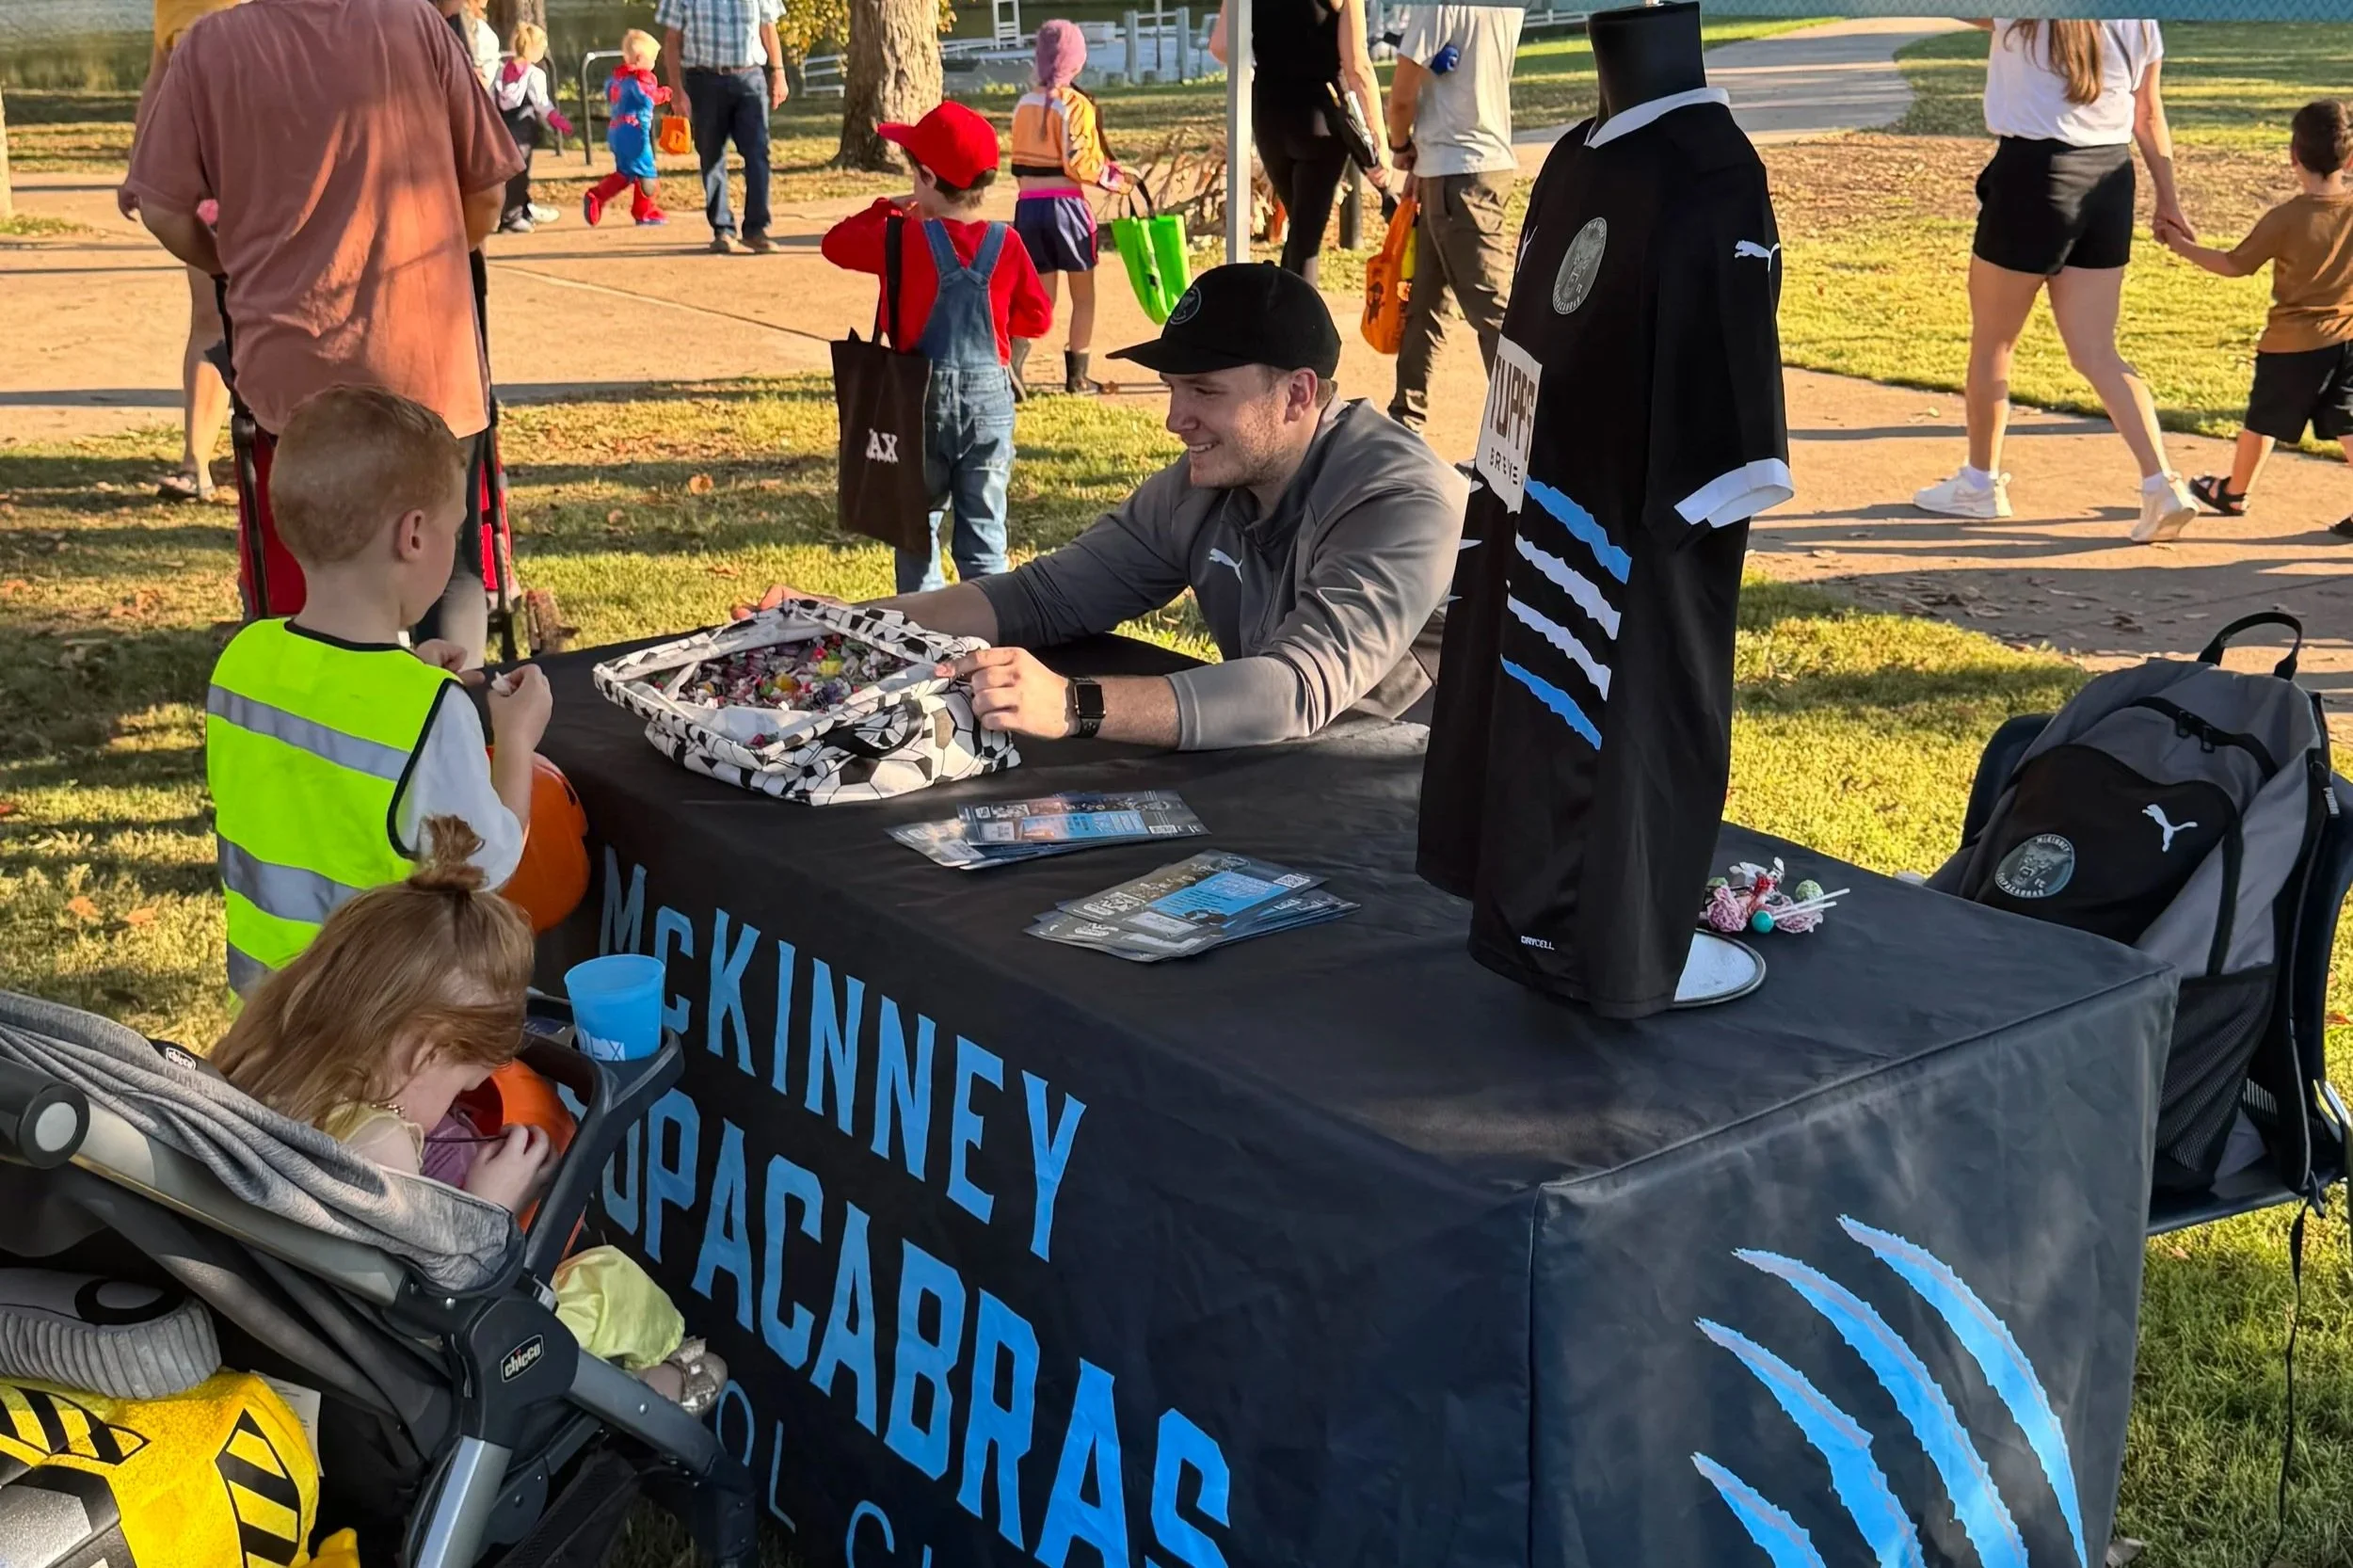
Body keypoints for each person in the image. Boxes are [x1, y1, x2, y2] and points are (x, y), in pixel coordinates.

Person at [746, 264, 1465, 750]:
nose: (1176, 419)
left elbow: (1296, 691)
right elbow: (1042, 598)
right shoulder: (1209, 479)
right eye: (1173, 389)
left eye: (1205, 391)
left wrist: (1071, 705)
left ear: (1299, 395)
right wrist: (849, 624)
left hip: (1420, 802)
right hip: (1294, 771)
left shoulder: (1400, 501)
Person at [212, 818, 727, 1416]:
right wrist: (491, 1207)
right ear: (426, 1053)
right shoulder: (380, 1147)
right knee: (608, 1283)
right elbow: (433, 1308)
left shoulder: (263, 1060)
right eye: (463, 1083)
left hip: (280, 1333)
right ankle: (662, 1388)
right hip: (411, 1376)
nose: (453, 1109)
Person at [123, 0, 523, 665]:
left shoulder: (209, 47)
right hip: (427, 351)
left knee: (322, 567)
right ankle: (456, 708)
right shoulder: (416, 25)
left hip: (292, 364)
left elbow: (163, 210)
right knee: (449, 563)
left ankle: (327, 705)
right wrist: (440, 258)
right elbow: (486, 194)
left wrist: (229, 266)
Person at [203, 386, 551, 999]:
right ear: (413, 535)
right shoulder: (431, 712)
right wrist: (516, 739)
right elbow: (485, 866)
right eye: (454, 530)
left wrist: (406, 672)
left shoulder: (242, 659)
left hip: (265, 1006)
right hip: (373, 1021)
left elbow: (316, 753)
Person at [1913, 19, 2197, 543]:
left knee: (1994, 342)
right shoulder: (2140, 19)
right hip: (2110, 178)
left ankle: (1980, 483)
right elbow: (2149, 114)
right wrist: (2169, 199)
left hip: (2034, 176)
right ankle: (2162, 483)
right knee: (2097, 352)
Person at [821, 103, 1054, 595]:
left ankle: (923, 623)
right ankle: (991, 621)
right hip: (990, 403)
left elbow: (836, 244)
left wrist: (889, 208)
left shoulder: (902, 238)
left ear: (926, 177)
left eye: (915, 174)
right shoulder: (1007, 242)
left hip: (916, 401)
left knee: (915, 525)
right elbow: (1037, 318)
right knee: (985, 526)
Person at [2165, 101, 2353, 540]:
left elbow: (2235, 264)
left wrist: (2180, 245)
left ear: (2293, 156)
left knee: (2262, 419)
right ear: (2348, 159)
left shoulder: (2285, 219)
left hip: (2291, 345)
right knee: (2347, 420)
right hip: (2347, 339)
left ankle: (2234, 491)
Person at [118, 0, 239, 504]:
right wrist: (140, 166)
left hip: (271, 176)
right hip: (204, 180)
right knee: (210, 315)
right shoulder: (172, 5)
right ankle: (196, 466)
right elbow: (158, 81)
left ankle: (292, 453)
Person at [1382, 2, 1522, 436]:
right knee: (1424, 304)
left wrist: (1400, 145)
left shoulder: (1437, 6)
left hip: (1456, 171)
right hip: (1478, 161)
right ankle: (1405, 422)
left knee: (1493, 311)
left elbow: (1401, 99)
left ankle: (1527, 437)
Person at [1210, 0, 1392, 284]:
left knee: (1300, 228)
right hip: (1318, 114)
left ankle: (1282, 304)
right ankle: (1299, 310)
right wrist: (1379, 139)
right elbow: (1357, 66)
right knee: (1306, 242)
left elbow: (1221, 46)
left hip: (1269, 112)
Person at [1009, 20, 1128, 398]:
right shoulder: (1076, 105)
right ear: (1077, 60)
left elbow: (1017, 163)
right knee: (1084, 297)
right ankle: (1077, 377)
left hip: (1028, 209)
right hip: (1068, 211)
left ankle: (1013, 363)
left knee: (1040, 297)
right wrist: (1116, 179)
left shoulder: (1023, 104)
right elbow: (1081, 165)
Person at [656, 0, 789, 255]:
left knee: (758, 153)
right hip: (703, 80)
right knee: (711, 155)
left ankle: (756, 229)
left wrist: (778, 73)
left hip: (750, 77)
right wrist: (677, 91)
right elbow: (672, 40)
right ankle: (723, 230)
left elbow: (768, 27)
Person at [584, 32, 672, 228]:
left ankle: (597, 196)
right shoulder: (641, 78)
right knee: (647, 173)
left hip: (616, 130)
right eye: (652, 60)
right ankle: (644, 212)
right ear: (640, 58)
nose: (653, 65)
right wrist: (666, 94)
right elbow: (648, 97)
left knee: (625, 173)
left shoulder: (617, 78)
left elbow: (611, 94)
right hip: (635, 132)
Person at [496, 23, 574, 234]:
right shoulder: (534, 74)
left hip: (502, 127)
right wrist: (559, 121)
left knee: (511, 173)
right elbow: (542, 104)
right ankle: (511, 218)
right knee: (519, 173)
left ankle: (522, 209)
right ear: (534, 48)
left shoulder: (501, 70)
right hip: (522, 129)